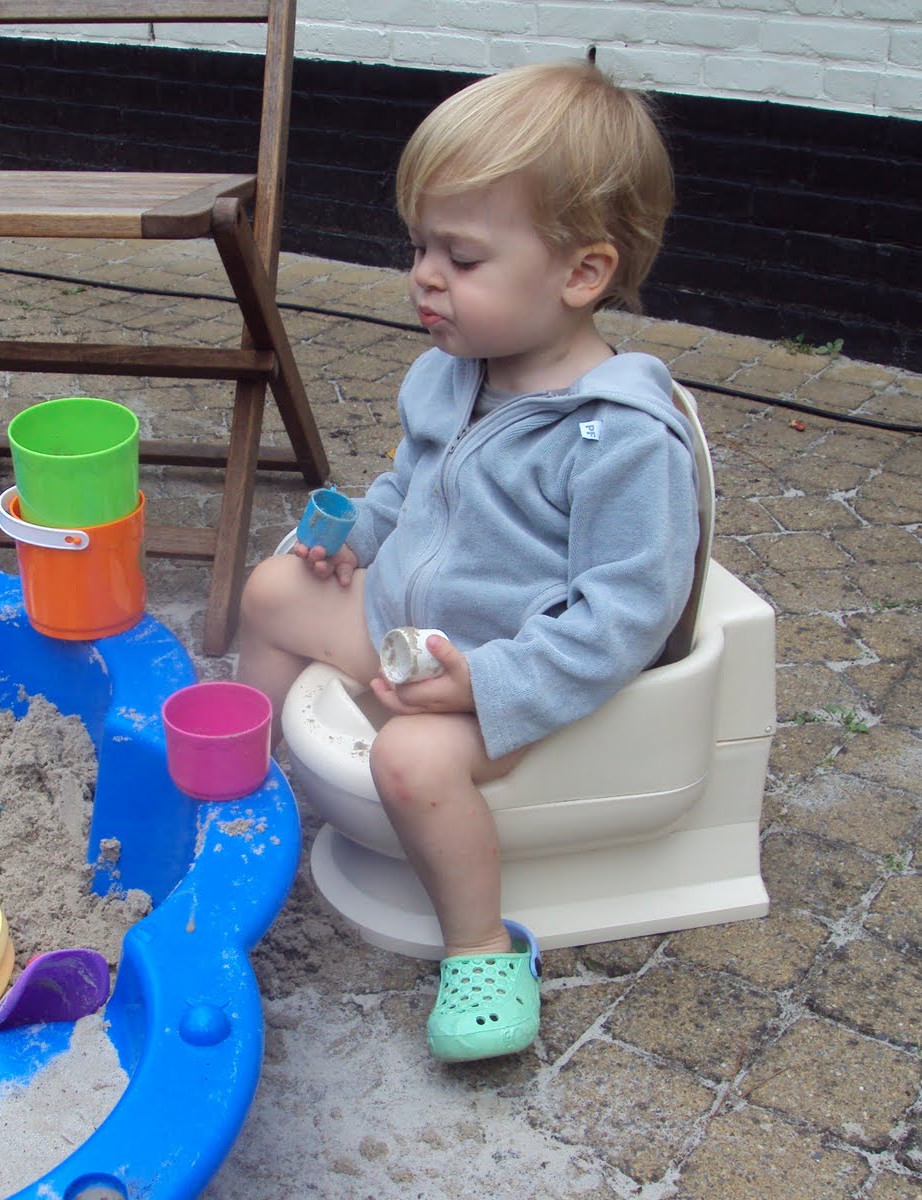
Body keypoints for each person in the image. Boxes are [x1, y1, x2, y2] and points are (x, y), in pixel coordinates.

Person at [236, 60, 698, 1063]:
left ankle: (482, 947)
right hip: (406, 631)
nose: (425, 277)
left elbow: (627, 614)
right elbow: (414, 488)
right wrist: (355, 534)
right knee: (271, 589)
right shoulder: (451, 373)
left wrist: (486, 685)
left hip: (504, 672)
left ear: (581, 274)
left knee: (408, 761)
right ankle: (246, 781)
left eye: (464, 257)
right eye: (419, 247)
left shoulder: (620, 440)